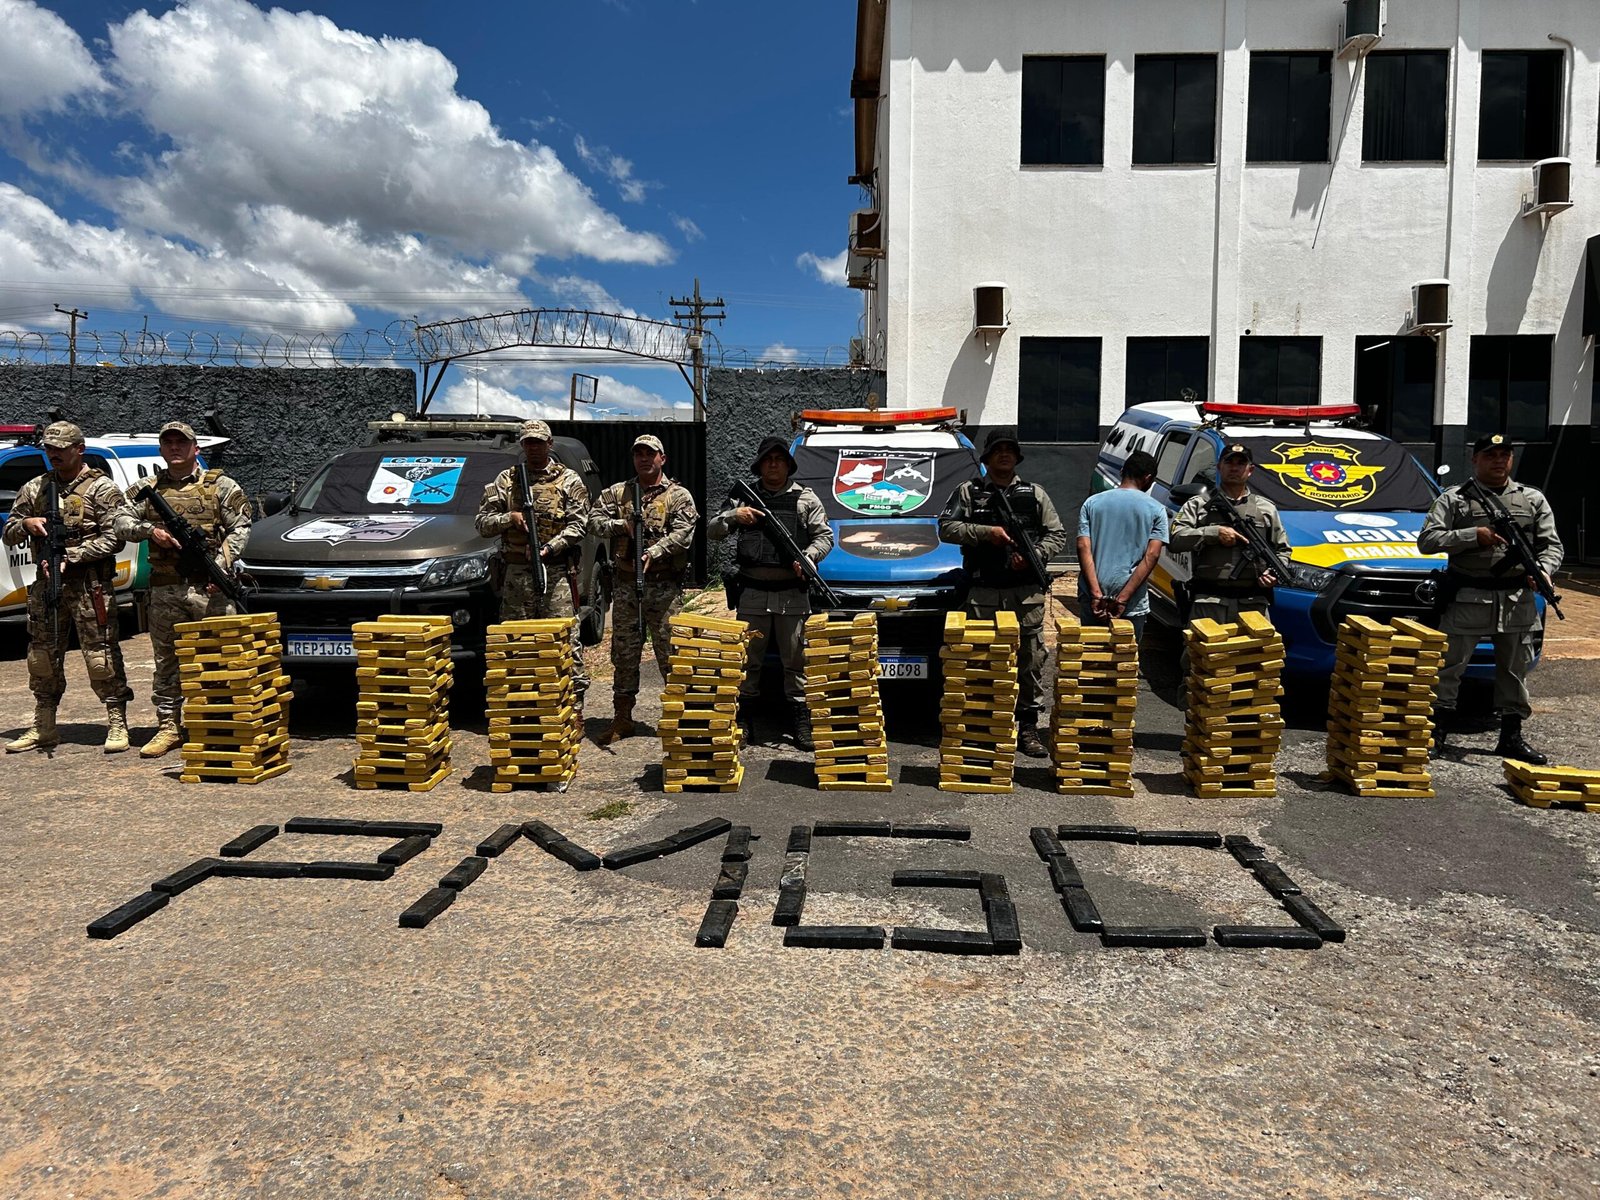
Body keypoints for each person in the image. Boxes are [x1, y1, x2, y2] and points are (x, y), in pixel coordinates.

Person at [1417, 433, 1563, 764]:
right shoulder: (1454, 499)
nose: (1499, 460)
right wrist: (1473, 535)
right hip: (1468, 596)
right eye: (1490, 454)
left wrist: (1543, 569)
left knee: (1514, 670)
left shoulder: (1532, 499)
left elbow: (1551, 544)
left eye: (1505, 454)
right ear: (1475, 459)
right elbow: (1427, 540)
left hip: (1516, 600)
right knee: (1450, 668)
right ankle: (1436, 732)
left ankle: (1511, 736)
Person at [115, 421, 253, 758]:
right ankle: (168, 727)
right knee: (166, 661)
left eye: (182, 442)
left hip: (210, 588)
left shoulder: (221, 485)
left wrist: (220, 564)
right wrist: (150, 530)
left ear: (196, 448)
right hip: (164, 589)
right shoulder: (147, 487)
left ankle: (217, 723)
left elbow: (242, 527)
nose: (175, 448)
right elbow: (119, 521)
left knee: (219, 658)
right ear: (161, 449)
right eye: (169, 443)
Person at [2, 421, 136, 753]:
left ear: (79, 449)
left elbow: (114, 538)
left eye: (60, 449)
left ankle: (117, 722)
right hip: (46, 585)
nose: (54, 455)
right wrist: (27, 524)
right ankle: (44, 725)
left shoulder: (102, 489)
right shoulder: (35, 488)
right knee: (42, 657)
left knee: (100, 656)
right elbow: (9, 532)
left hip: (90, 587)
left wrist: (73, 556)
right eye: (49, 449)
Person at [938, 426, 1068, 759]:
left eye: (1010, 449)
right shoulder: (969, 492)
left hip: (1025, 596)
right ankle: (985, 728)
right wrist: (985, 533)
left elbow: (1057, 536)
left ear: (1017, 455)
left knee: (1030, 663)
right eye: (998, 450)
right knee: (982, 662)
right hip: (983, 593)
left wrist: (1035, 555)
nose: (1005, 455)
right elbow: (946, 528)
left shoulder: (1034, 494)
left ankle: (1027, 729)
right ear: (988, 456)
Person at [708, 435, 833, 750]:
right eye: (768, 459)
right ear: (760, 464)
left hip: (792, 593)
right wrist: (734, 517)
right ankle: (744, 721)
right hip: (752, 593)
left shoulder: (805, 499)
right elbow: (712, 531)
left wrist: (809, 556)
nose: (774, 464)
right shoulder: (743, 500)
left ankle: (801, 721)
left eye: (779, 459)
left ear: (788, 465)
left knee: (796, 661)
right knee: (748, 660)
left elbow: (825, 537)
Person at [589, 434, 700, 745]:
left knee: (672, 654)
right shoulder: (619, 493)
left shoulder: (678, 496)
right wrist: (620, 527)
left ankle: (681, 716)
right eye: (638, 453)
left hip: (664, 588)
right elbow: (594, 520)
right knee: (624, 654)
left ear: (662, 458)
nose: (643, 459)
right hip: (625, 587)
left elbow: (684, 533)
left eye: (650, 453)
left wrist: (656, 550)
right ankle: (623, 718)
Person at [474, 419, 592, 706]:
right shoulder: (507, 480)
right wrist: (510, 518)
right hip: (516, 575)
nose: (534, 448)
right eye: (528, 442)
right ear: (522, 445)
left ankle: (571, 706)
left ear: (549, 444)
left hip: (557, 574)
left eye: (539, 442)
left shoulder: (569, 480)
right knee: (516, 641)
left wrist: (550, 548)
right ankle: (521, 707)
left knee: (565, 638)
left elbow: (579, 525)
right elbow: (482, 523)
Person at [1168, 442, 1290, 623]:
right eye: (1229, 462)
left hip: (1252, 604)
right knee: (1200, 651)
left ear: (1250, 470)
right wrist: (1213, 533)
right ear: (1219, 467)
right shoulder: (1199, 504)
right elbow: (1175, 540)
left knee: (1255, 651)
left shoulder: (1265, 508)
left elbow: (1283, 550)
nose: (1234, 467)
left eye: (1240, 463)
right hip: (1209, 602)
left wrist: (1272, 573)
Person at [1076, 449, 1169, 644]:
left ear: (1122, 473)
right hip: (1131, 603)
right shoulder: (1156, 510)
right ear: (1148, 478)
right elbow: (1152, 555)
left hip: (1093, 598)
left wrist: (1095, 594)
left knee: (1092, 659)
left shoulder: (1092, 503)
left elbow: (1083, 546)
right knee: (1125, 663)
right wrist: (1123, 599)